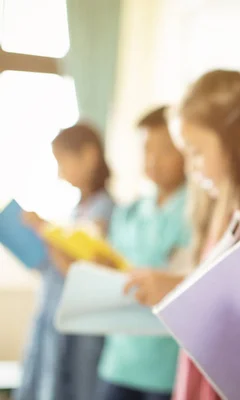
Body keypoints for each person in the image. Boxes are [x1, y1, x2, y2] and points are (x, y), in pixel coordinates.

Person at [126, 70, 240, 400]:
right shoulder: (224, 210)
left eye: (196, 153)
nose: (190, 168)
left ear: (237, 141)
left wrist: (174, 288)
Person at [95, 107, 190, 400]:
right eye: (146, 149)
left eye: (165, 150)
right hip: (120, 356)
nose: (152, 160)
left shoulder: (195, 212)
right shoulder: (130, 212)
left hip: (164, 362)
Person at [17, 123, 114, 400]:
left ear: (89, 156)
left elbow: (80, 270)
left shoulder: (103, 209)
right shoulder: (77, 210)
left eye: (63, 162)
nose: (60, 173)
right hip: (57, 316)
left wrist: (44, 231)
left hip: (83, 326)